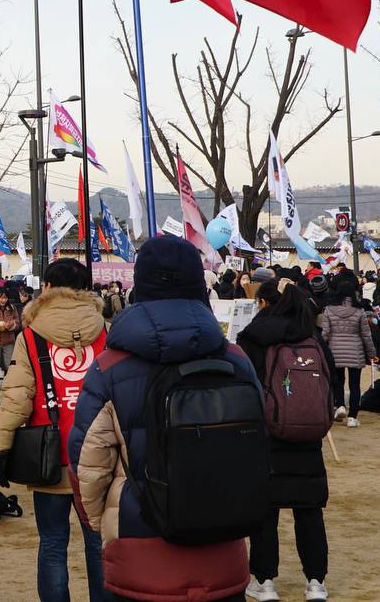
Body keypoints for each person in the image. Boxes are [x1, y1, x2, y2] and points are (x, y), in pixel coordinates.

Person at [71, 235, 254, 602]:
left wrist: (105, 522)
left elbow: (87, 465)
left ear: (140, 287)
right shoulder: (236, 360)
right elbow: (257, 449)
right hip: (223, 547)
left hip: (139, 553)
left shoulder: (109, 368)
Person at [0, 258, 108, 602]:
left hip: (49, 454)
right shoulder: (106, 331)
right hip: (100, 453)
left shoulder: (31, 335)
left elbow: (17, 398)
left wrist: (1, 448)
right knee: (99, 543)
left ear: (48, 288)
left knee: (53, 543)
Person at [236, 277, 334, 602]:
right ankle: (316, 582)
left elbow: (243, 384)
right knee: (309, 509)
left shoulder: (253, 337)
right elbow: (330, 383)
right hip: (308, 436)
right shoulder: (311, 335)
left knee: (266, 511)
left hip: (265, 434)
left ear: (263, 303)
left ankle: (265, 582)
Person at [318, 279, 377, 428]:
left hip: (335, 350)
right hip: (355, 350)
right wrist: (372, 353)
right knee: (354, 384)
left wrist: (320, 349)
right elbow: (366, 335)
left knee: (337, 380)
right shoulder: (359, 311)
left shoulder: (329, 309)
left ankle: (340, 405)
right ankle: (352, 417)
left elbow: (325, 333)